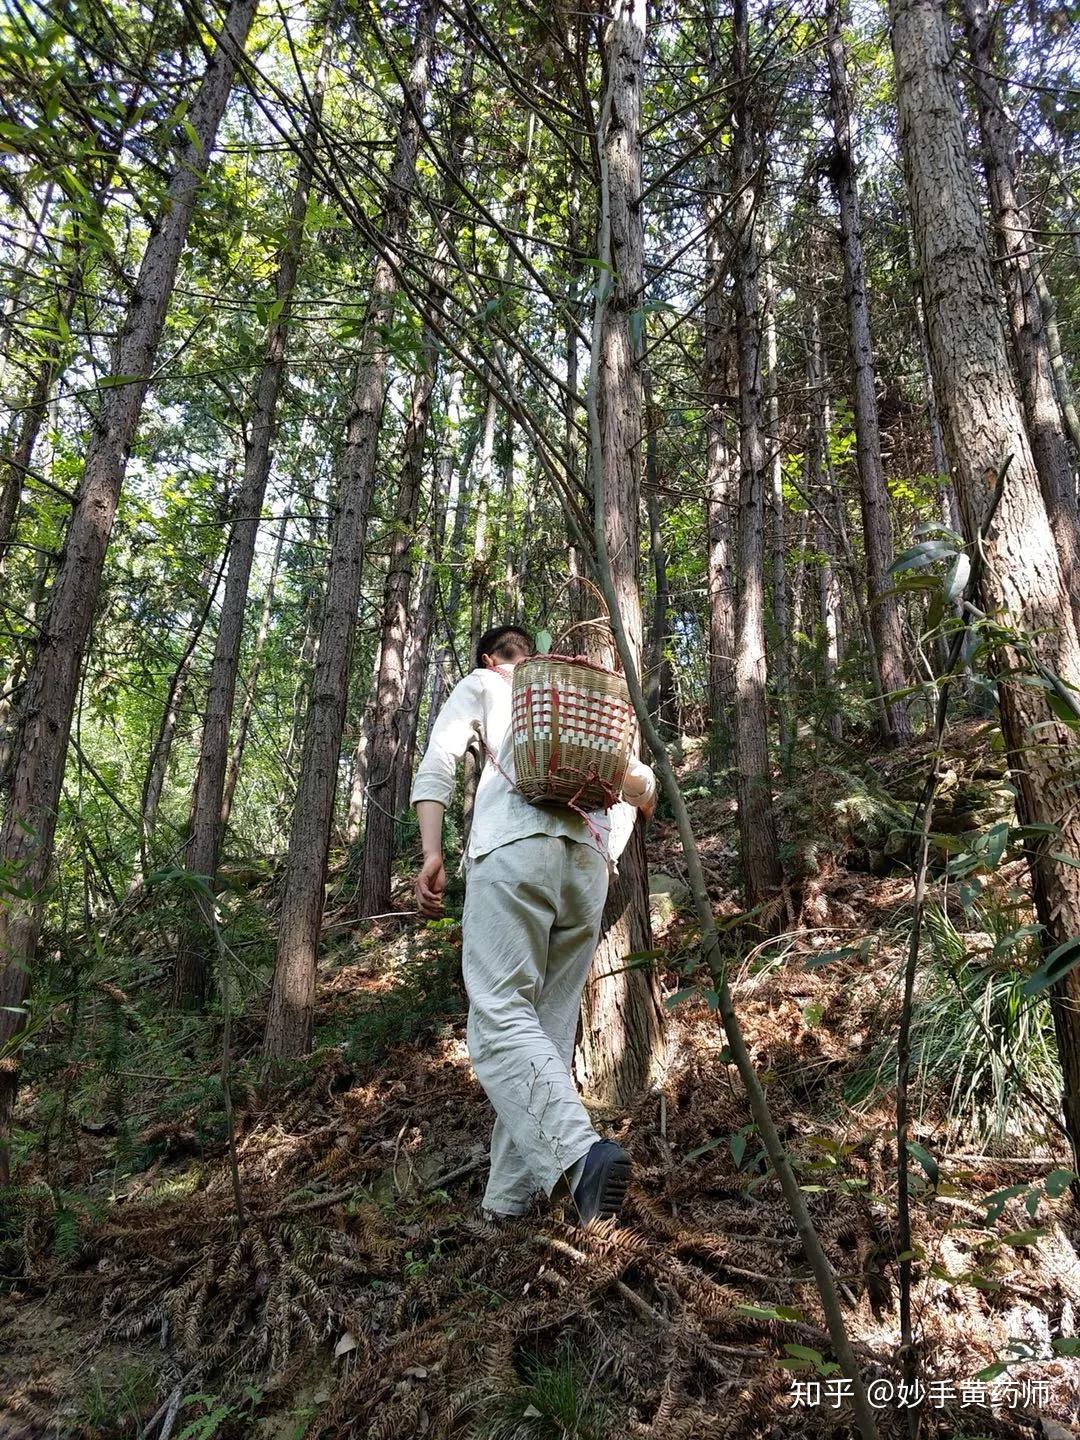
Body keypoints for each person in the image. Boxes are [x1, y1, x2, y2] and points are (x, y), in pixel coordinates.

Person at [410, 624, 657, 1223]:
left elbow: (439, 761)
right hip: (585, 870)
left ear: (489, 659)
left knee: (497, 1021)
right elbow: (642, 786)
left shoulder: (487, 685)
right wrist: (611, 848)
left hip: (513, 852)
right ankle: (507, 1205)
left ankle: (582, 1157)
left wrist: (432, 851)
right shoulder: (576, 708)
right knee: (541, 1038)